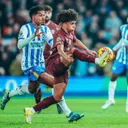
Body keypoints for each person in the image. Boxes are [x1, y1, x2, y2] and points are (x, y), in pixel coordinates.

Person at [0, 5, 85, 123]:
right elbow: (19, 45)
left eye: (44, 15)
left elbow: (51, 42)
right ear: (33, 17)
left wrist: (62, 45)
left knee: (32, 89)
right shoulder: (25, 28)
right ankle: (69, 114)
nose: (43, 17)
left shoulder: (45, 29)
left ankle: (9, 94)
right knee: (55, 83)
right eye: (40, 15)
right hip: (30, 65)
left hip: (41, 64)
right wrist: (33, 36)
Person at [24, 9, 110, 124]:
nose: (74, 26)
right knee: (73, 51)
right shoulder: (59, 33)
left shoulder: (70, 33)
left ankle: (31, 110)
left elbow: (77, 40)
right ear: (63, 24)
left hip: (62, 67)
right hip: (54, 63)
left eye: (75, 23)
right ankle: (98, 61)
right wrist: (65, 56)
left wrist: (88, 50)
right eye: (72, 23)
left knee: (57, 97)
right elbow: (59, 49)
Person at [101, 23, 128, 112]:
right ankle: (111, 99)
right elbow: (122, 40)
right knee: (113, 76)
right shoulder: (123, 27)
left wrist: (126, 43)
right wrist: (114, 49)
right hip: (121, 58)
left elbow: (126, 43)